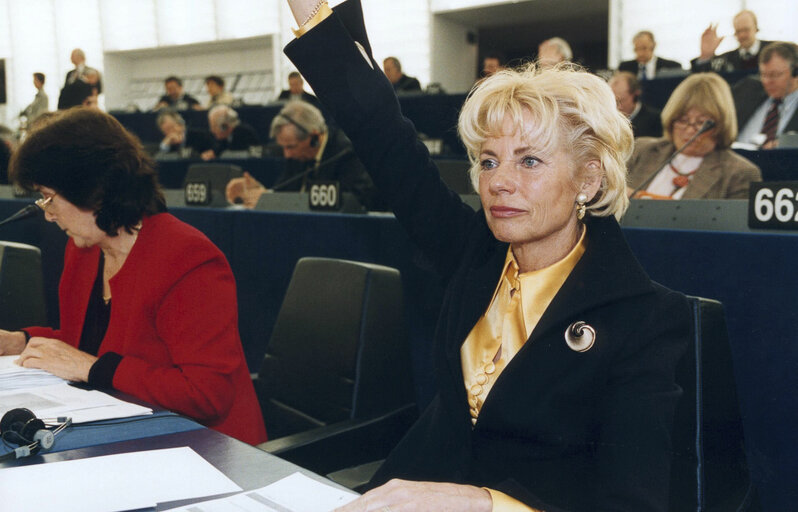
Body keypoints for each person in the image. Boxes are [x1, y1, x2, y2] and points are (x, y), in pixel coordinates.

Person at [284, 1, 691, 510]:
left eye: (530, 160)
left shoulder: (644, 319)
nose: (498, 180)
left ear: (588, 178)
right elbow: (382, 134)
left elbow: (633, 503)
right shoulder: (474, 251)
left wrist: (484, 503)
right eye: (489, 160)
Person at [0, 108, 267, 446]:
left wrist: (93, 369)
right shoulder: (84, 250)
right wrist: (18, 340)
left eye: (49, 198)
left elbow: (207, 395)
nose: (48, 215)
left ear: (90, 189)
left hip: (210, 450)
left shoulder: (189, 259)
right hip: (130, 433)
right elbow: (84, 343)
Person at [627, 73, 761, 199]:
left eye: (701, 123)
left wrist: (642, 197)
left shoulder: (739, 173)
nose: (690, 130)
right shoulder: (642, 150)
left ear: (721, 125)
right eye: (683, 120)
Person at [225, 101, 379, 210]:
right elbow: (285, 192)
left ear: (314, 137)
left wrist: (277, 200)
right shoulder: (297, 156)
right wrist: (264, 192)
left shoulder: (346, 153)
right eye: (283, 147)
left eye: (290, 147)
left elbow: (356, 201)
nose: (287, 154)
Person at [734, 42, 798, 149]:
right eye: (763, 74)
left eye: (774, 75)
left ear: (795, 72)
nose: (767, 81)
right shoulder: (748, 89)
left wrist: (785, 144)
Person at [691, 10, 773, 73]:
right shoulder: (725, 59)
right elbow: (704, 80)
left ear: (756, 28)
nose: (741, 35)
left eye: (746, 30)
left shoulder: (775, 50)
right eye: (738, 31)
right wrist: (705, 56)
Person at [608, 71, 662, 137]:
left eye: (620, 101)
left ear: (635, 94)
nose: (616, 107)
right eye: (612, 102)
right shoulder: (606, 120)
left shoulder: (655, 120)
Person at [618, 31, 682, 79]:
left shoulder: (672, 67)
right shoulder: (625, 68)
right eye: (636, 49)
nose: (640, 53)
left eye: (644, 48)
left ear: (653, 46)